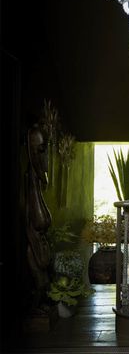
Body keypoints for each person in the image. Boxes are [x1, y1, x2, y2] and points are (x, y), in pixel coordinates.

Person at [26, 124, 52, 313]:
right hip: (33, 245)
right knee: (40, 279)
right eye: (41, 151)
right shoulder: (29, 179)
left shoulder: (34, 179)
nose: (45, 160)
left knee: (43, 279)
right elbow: (39, 221)